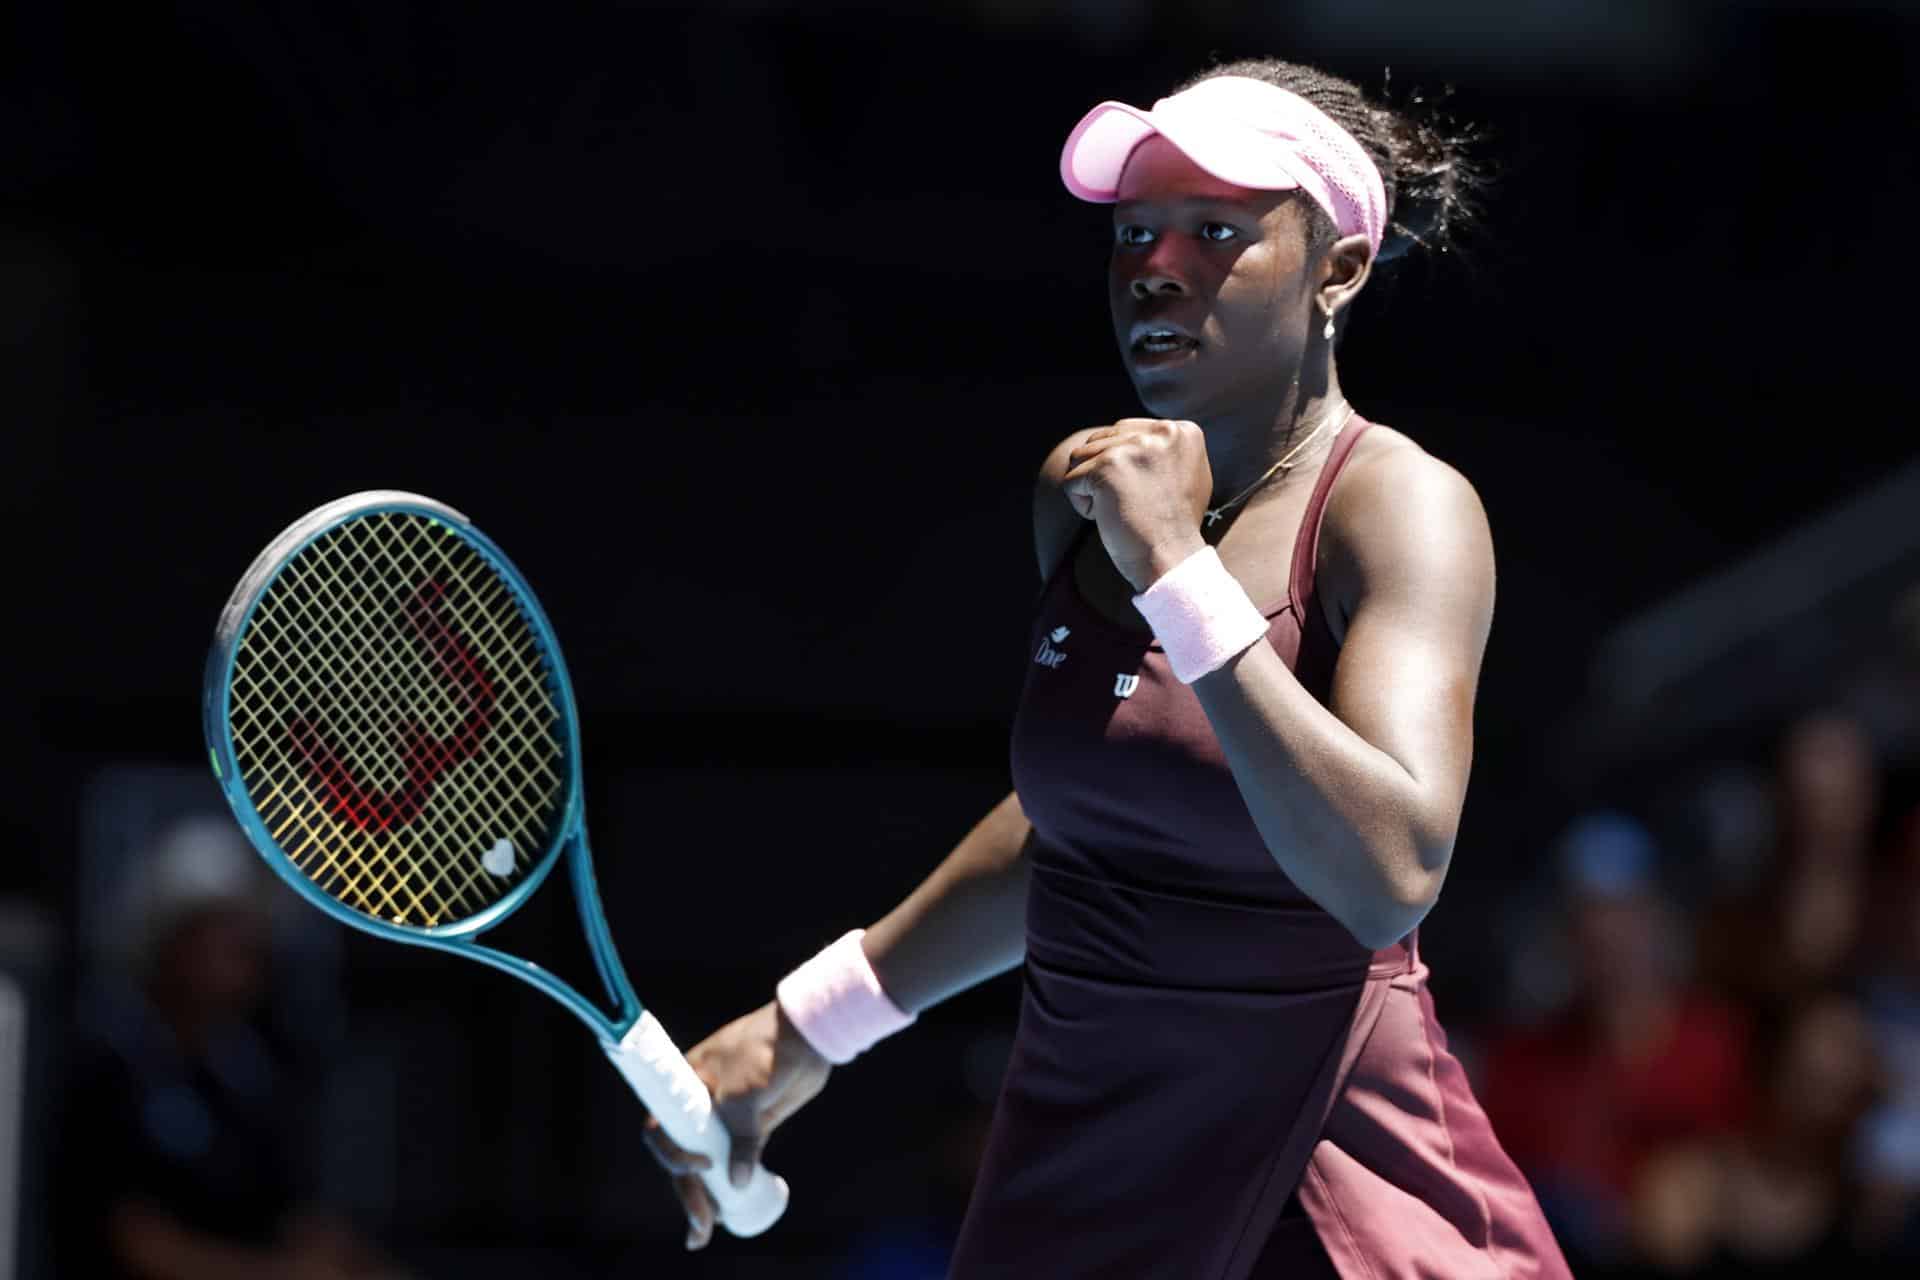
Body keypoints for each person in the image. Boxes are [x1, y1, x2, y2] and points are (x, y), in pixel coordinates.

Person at [647, 58, 1571, 1276]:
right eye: (1135, 232)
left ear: (1338, 270)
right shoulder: (1083, 495)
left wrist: (1177, 570)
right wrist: (803, 1027)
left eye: (1215, 232)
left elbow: (1390, 870)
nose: (1156, 266)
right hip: (1081, 1165)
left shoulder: (1399, 507)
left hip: (1328, 1185)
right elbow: (1087, 821)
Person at [52, 817, 406, 1280]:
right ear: (172, 942)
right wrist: (286, 1275)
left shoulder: (247, 1071)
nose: (250, 957)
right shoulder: (108, 1066)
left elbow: (286, 1212)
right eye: (227, 937)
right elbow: (134, 1242)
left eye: (253, 939)